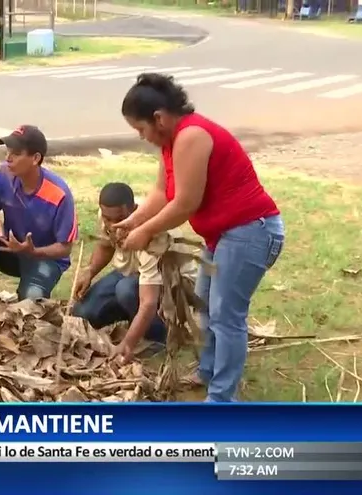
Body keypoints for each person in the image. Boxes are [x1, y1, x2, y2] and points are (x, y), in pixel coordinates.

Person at [114, 73, 285, 403]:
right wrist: (133, 220)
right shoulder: (171, 143)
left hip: (251, 231)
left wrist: (145, 231)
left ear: (159, 118)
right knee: (205, 308)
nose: (141, 136)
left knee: (226, 315)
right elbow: (162, 193)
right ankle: (208, 372)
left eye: (141, 129)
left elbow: (185, 203)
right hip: (222, 236)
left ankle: (222, 398)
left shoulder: (192, 136)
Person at [0, 125, 78, 327]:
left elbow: (65, 247)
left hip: (45, 259)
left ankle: (27, 296)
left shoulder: (59, 194)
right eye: (7, 152)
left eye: (16, 154)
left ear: (35, 158)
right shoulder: (3, 174)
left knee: (30, 310)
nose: (8, 158)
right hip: (12, 249)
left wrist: (34, 251)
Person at [71, 183, 196, 363]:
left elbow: (148, 302)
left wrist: (127, 344)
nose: (114, 226)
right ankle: (131, 316)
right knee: (83, 313)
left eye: (120, 218)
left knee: (126, 290)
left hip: (173, 287)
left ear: (134, 210)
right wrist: (90, 271)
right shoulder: (108, 215)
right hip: (132, 274)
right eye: (108, 219)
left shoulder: (155, 236)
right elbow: (106, 245)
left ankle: (158, 336)